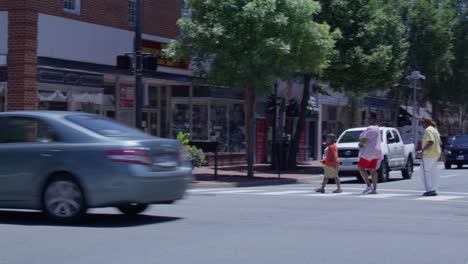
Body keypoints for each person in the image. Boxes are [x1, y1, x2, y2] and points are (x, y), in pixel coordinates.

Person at [358, 113, 383, 194]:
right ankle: (374, 188)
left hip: (368, 151)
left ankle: (369, 185)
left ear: (372, 120)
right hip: (376, 152)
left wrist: (360, 143)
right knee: (373, 170)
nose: (367, 120)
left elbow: (364, 139)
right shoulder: (377, 128)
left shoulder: (371, 128)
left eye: (369, 119)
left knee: (361, 167)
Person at [419, 116, 441, 196]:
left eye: (421, 123)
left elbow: (430, 142)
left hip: (429, 154)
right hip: (436, 153)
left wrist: (422, 150)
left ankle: (430, 190)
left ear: (425, 123)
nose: (421, 125)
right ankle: (433, 189)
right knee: (432, 172)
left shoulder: (428, 130)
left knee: (424, 172)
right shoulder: (435, 129)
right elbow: (439, 142)